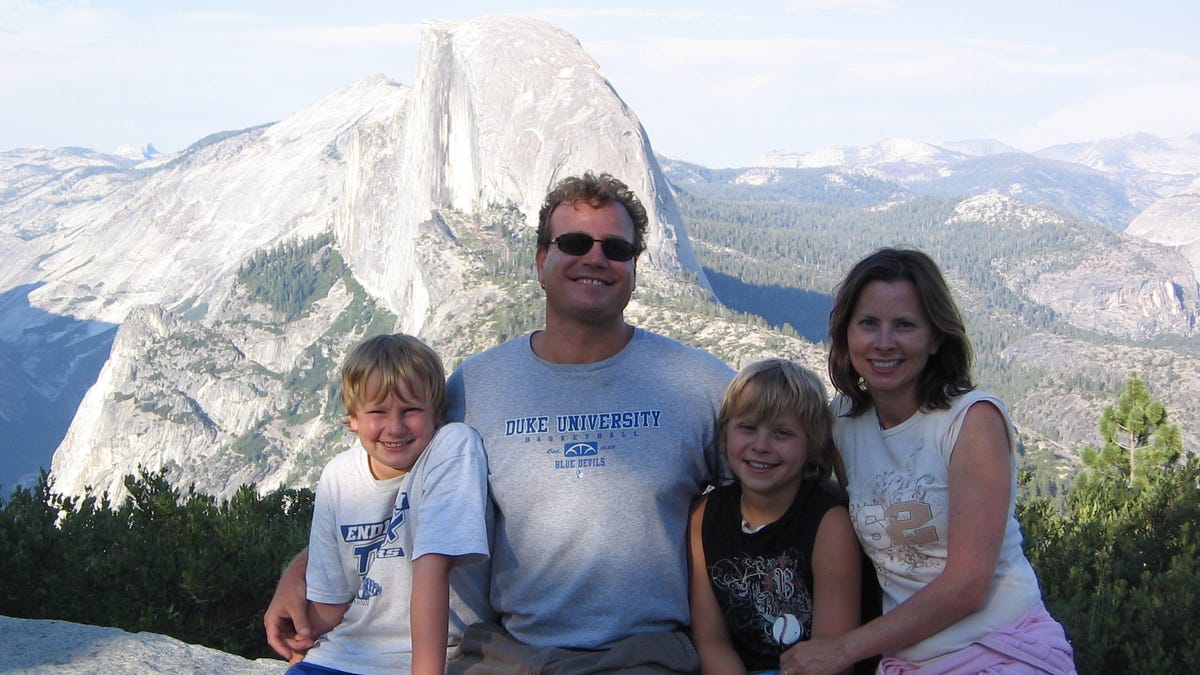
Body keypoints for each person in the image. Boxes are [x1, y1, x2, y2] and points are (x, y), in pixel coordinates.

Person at [265, 172, 734, 673]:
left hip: (644, 655)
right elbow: (391, 491)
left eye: (616, 249)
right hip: (509, 654)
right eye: (574, 242)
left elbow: (780, 503)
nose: (595, 258)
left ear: (633, 269)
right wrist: (303, 571)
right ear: (540, 261)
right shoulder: (475, 386)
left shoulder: (700, 386)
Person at [780, 248, 1075, 674]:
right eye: (868, 324)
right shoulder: (843, 423)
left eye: (905, 325)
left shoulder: (971, 421)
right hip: (909, 659)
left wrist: (844, 649)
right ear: (846, 333)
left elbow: (967, 587)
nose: (884, 343)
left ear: (935, 337)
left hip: (1001, 647)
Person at [286, 333, 492, 675]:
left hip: (436, 657)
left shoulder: (452, 448)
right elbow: (331, 603)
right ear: (353, 418)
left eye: (410, 410)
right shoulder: (337, 477)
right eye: (378, 412)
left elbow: (432, 566)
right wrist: (300, 630)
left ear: (437, 412)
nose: (394, 428)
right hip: (343, 656)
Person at [687, 359, 862, 674]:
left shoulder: (829, 524)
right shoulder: (704, 517)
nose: (761, 446)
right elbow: (712, 641)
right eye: (747, 428)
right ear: (725, 434)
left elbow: (832, 650)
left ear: (812, 443)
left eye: (782, 433)